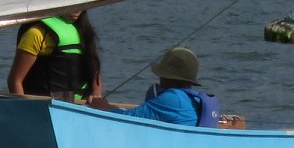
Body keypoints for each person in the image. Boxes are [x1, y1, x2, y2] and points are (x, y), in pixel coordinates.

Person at [90, 46, 221, 126]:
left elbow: (129, 119)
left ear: (166, 76)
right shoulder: (193, 99)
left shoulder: (173, 99)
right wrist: (110, 106)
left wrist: (102, 106)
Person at [7, 10, 102, 102]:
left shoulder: (84, 32)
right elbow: (15, 81)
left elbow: (95, 74)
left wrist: (96, 93)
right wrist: (24, 108)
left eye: (81, 5)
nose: (77, 10)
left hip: (79, 105)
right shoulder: (36, 33)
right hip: (44, 105)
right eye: (72, 5)